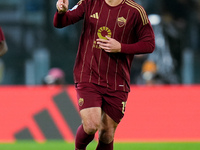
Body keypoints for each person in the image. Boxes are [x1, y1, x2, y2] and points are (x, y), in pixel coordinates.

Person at [54, 0, 155, 149]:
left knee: (107, 134)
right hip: (88, 74)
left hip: (117, 80)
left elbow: (149, 43)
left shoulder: (135, 11)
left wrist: (121, 47)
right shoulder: (89, 2)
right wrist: (61, 12)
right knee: (91, 125)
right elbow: (61, 23)